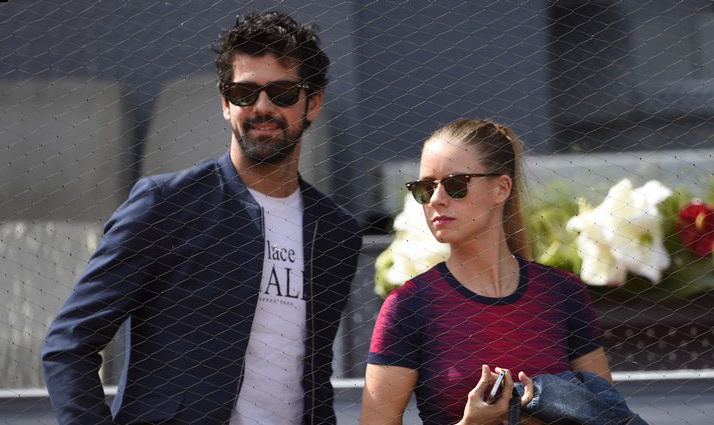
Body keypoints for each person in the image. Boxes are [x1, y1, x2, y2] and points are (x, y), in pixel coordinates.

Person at [41, 11, 361, 425]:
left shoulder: (335, 230)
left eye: (282, 92)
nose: (262, 107)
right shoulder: (166, 205)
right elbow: (69, 343)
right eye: (244, 93)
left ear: (312, 102)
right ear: (226, 103)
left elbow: (314, 371)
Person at [360, 118, 612, 425]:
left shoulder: (561, 293)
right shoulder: (409, 305)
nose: (437, 200)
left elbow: (606, 415)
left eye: (456, 184)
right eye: (425, 188)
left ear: (501, 188)